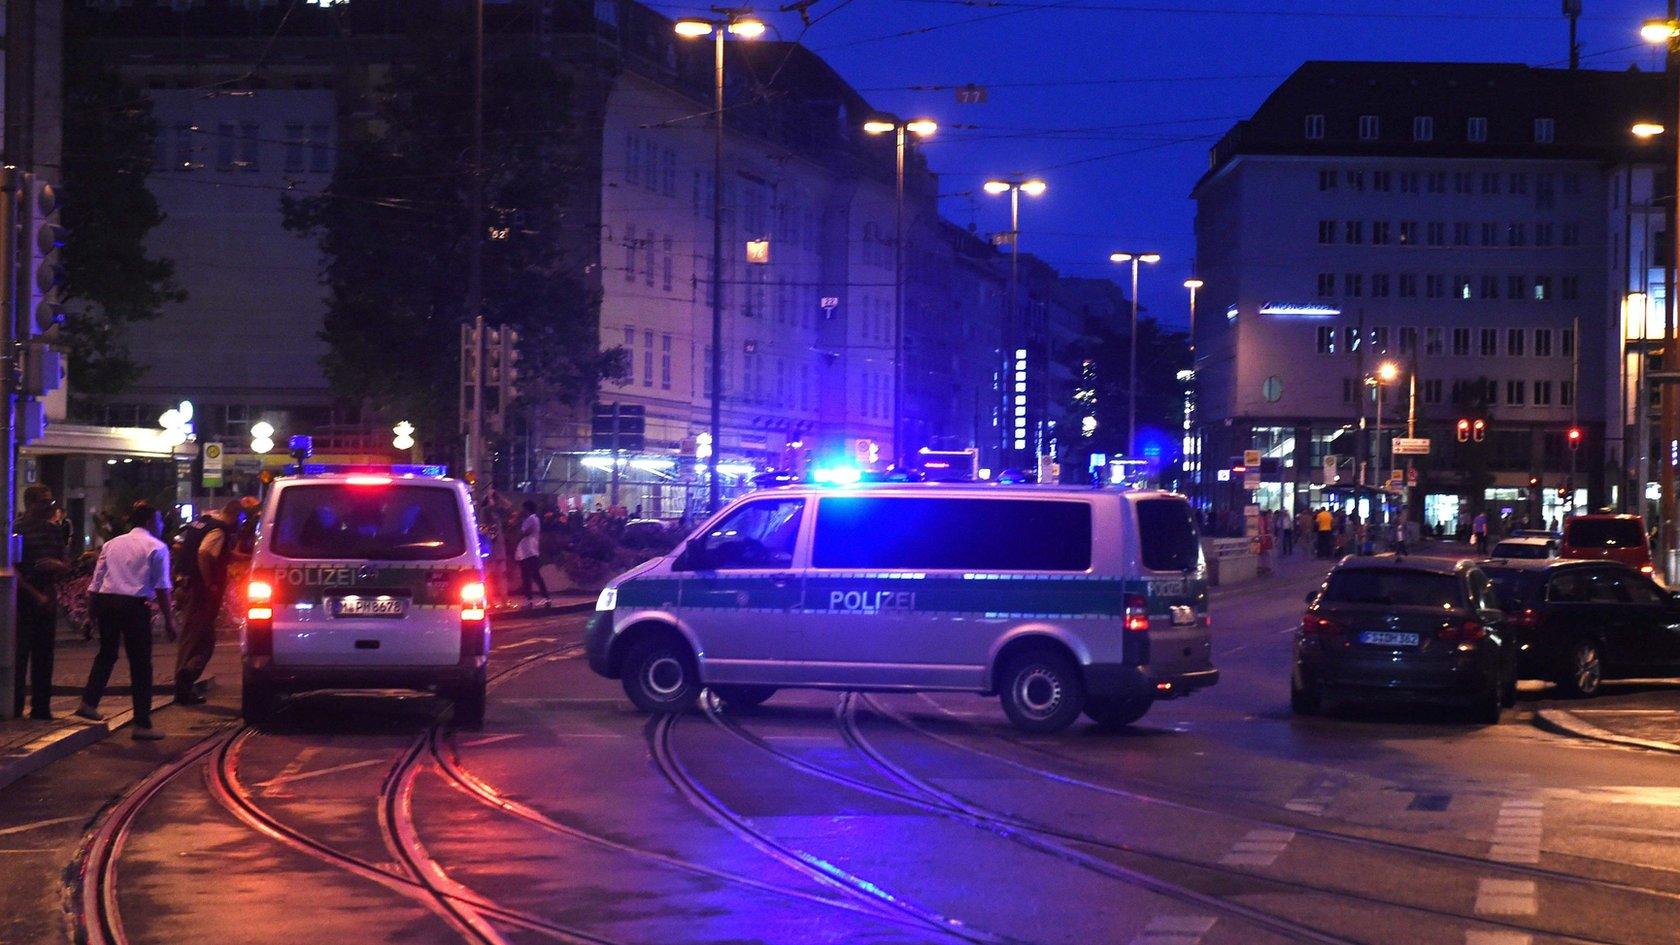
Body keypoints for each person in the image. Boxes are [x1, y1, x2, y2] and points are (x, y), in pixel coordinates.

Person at [76, 503, 176, 740]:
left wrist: (90, 616)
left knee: (107, 654)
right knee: (141, 664)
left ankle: (88, 703)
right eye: (159, 520)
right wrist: (170, 620)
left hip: (107, 604)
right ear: (151, 522)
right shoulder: (157, 547)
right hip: (134, 607)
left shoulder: (112, 544)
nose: (162, 525)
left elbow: (96, 583)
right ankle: (142, 723)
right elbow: (162, 588)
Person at [171, 499, 244, 705]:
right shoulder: (219, 530)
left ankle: (185, 682)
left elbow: (180, 545)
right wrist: (210, 582)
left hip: (183, 585)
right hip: (198, 591)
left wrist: (243, 557)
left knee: (196, 637)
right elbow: (204, 553)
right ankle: (184, 681)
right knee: (199, 640)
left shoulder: (202, 522)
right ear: (236, 517)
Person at [13, 485, 69, 719]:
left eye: (50, 502)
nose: (49, 507)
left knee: (44, 655)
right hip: (23, 599)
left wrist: (57, 566)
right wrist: (35, 594)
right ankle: (14, 706)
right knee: (19, 655)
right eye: (43, 502)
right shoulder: (17, 530)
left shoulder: (54, 531)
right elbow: (12, 569)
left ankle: (41, 707)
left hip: (47, 596)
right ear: (30, 504)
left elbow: (66, 563)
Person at [514, 500, 548, 607]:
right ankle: (545, 598)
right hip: (531, 551)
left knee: (527, 576)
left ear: (526, 508)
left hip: (527, 552)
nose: (521, 510)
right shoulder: (535, 519)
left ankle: (529, 600)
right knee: (535, 575)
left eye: (523, 508)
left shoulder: (530, 519)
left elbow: (522, 533)